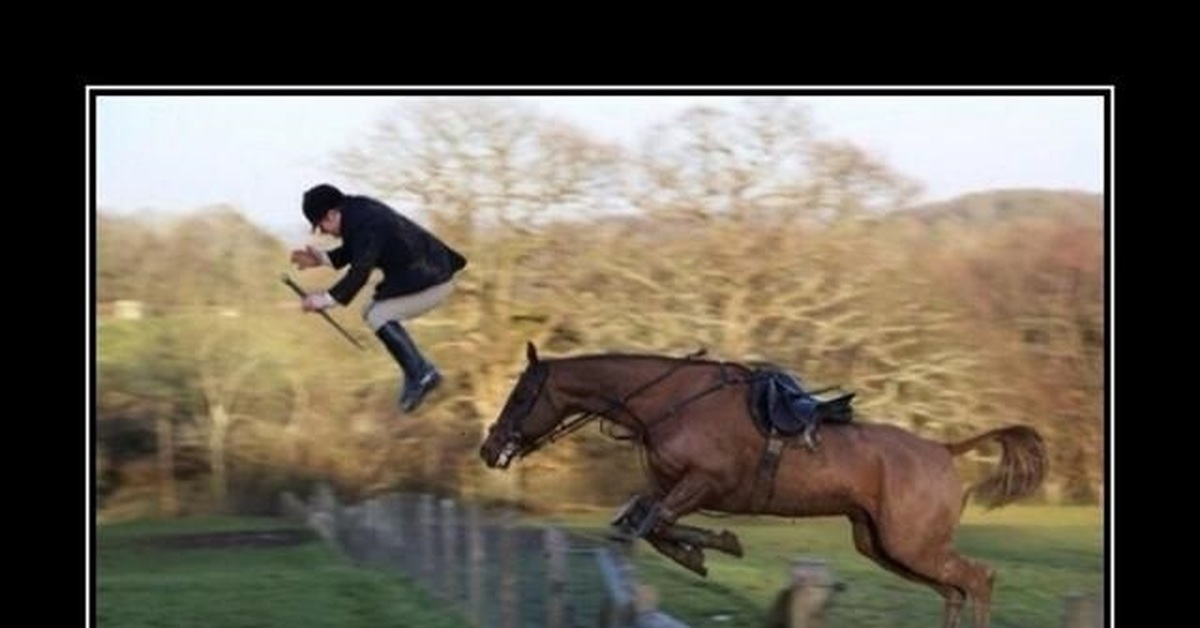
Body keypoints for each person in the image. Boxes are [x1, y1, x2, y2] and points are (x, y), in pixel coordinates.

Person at [290, 183, 467, 413]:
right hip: (427, 274)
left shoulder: (367, 222)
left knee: (378, 314)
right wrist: (321, 259)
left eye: (321, 225)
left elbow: (360, 270)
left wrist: (324, 300)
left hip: (433, 279)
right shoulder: (358, 212)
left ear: (333, 213)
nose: (322, 232)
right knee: (371, 312)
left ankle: (422, 373)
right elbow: (357, 251)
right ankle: (418, 371)